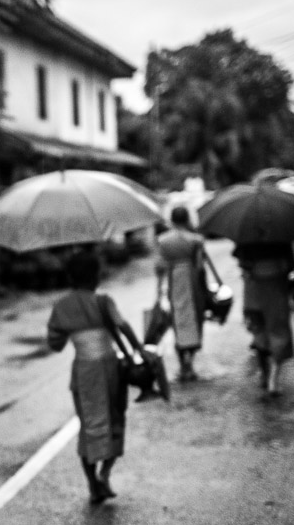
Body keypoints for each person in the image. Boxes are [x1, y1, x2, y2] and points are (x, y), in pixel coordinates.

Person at [47, 250, 143, 504]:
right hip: (110, 370)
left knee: (89, 427)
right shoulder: (104, 302)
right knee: (114, 421)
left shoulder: (61, 306)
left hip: (84, 373)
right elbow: (124, 327)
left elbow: (55, 344)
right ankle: (104, 475)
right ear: (96, 277)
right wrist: (140, 350)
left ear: (70, 276)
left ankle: (92, 484)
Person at [233, 240, 294, 397]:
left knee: (259, 331)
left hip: (253, 290)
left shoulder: (246, 238)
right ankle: (273, 380)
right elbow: (291, 264)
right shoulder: (281, 237)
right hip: (276, 289)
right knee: (278, 331)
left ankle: (264, 374)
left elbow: (241, 261)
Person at [153, 206, 208, 381]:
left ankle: (182, 366)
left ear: (172, 220)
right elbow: (200, 267)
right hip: (193, 284)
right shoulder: (196, 240)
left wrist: (158, 293)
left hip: (173, 282)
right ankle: (190, 363)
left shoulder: (162, 240)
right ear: (186, 219)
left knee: (178, 322)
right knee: (195, 320)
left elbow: (159, 268)